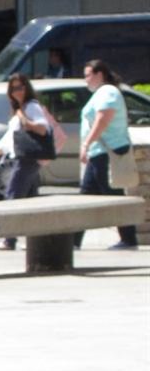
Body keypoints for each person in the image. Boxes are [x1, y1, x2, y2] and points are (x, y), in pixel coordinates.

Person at [0, 72, 52, 249]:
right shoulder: (22, 108)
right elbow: (9, 139)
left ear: (27, 88)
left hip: (27, 159)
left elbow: (42, 129)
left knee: (12, 196)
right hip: (26, 159)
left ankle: (9, 240)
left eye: (20, 87)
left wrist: (22, 117)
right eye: (13, 89)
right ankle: (35, 240)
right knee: (30, 200)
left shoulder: (31, 106)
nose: (17, 92)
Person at [77, 58, 139, 249]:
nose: (86, 80)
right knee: (86, 196)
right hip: (99, 153)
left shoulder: (108, 92)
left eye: (88, 75)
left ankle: (129, 239)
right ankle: (73, 240)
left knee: (112, 196)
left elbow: (102, 120)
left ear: (100, 74)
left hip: (106, 154)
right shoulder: (101, 93)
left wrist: (86, 143)